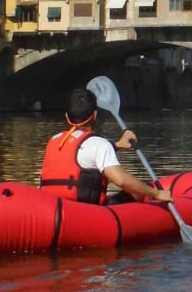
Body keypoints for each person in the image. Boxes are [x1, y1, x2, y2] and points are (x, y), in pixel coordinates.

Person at [39, 88, 172, 205]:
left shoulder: (54, 140)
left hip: (54, 207)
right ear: (95, 114)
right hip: (85, 212)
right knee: (137, 192)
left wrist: (118, 145)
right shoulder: (99, 144)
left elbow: (84, 154)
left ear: (67, 116)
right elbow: (121, 181)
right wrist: (156, 193)